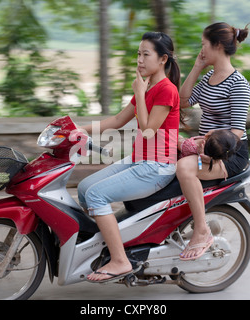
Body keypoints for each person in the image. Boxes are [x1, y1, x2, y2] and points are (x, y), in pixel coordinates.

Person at [77, 31, 181, 282]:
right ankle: (103, 247)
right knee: (84, 188)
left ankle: (120, 260)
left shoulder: (166, 90)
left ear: (163, 59)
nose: (139, 60)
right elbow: (116, 120)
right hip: (139, 160)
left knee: (96, 195)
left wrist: (140, 92)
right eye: (138, 54)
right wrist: (79, 129)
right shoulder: (147, 88)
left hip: (157, 167)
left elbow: (147, 130)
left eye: (146, 55)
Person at [176, 22, 250, 260]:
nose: (202, 49)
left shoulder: (238, 84)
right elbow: (184, 100)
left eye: (204, 45)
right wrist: (197, 67)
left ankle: (202, 231)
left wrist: (210, 150)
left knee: (184, 169)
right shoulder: (210, 76)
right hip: (203, 146)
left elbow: (236, 132)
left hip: (228, 154)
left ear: (217, 45)